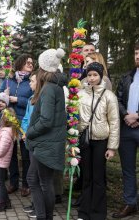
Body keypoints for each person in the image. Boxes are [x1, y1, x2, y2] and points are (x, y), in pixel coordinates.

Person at [25, 48, 67, 220]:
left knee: (42, 182)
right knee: (37, 180)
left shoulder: (49, 88)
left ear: (43, 67)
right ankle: (43, 216)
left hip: (44, 143)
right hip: (47, 142)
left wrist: (30, 132)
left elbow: (46, 120)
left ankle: (44, 216)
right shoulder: (55, 86)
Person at [77, 62, 120, 220]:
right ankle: (84, 212)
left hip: (101, 141)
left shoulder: (109, 96)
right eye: (89, 75)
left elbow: (114, 122)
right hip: (85, 139)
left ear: (101, 76)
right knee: (86, 177)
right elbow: (75, 116)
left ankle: (98, 213)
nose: (92, 78)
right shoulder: (81, 94)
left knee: (98, 178)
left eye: (95, 75)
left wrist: (112, 147)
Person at [0, 54, 34, 196]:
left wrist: (16, 99)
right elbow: (0, 94)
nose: (31, 65)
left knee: (25, 154)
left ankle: (26, 184)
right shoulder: (9, 80)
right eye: (28, 63)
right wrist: (3, 100)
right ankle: (13, 182)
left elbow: (34, 101)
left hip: (24, 122)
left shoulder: (32, 81)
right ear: (20, 64)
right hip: (8, 121)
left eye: (32, 63)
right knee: (10, 153)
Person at [112, 43, 139, 218]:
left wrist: (137, 116)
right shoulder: (128, 76)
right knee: (127, 169)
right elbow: (118, 99)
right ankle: (130, 203)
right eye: (136, 53)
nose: (137, 56)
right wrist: (126, 116)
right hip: (127, 129)